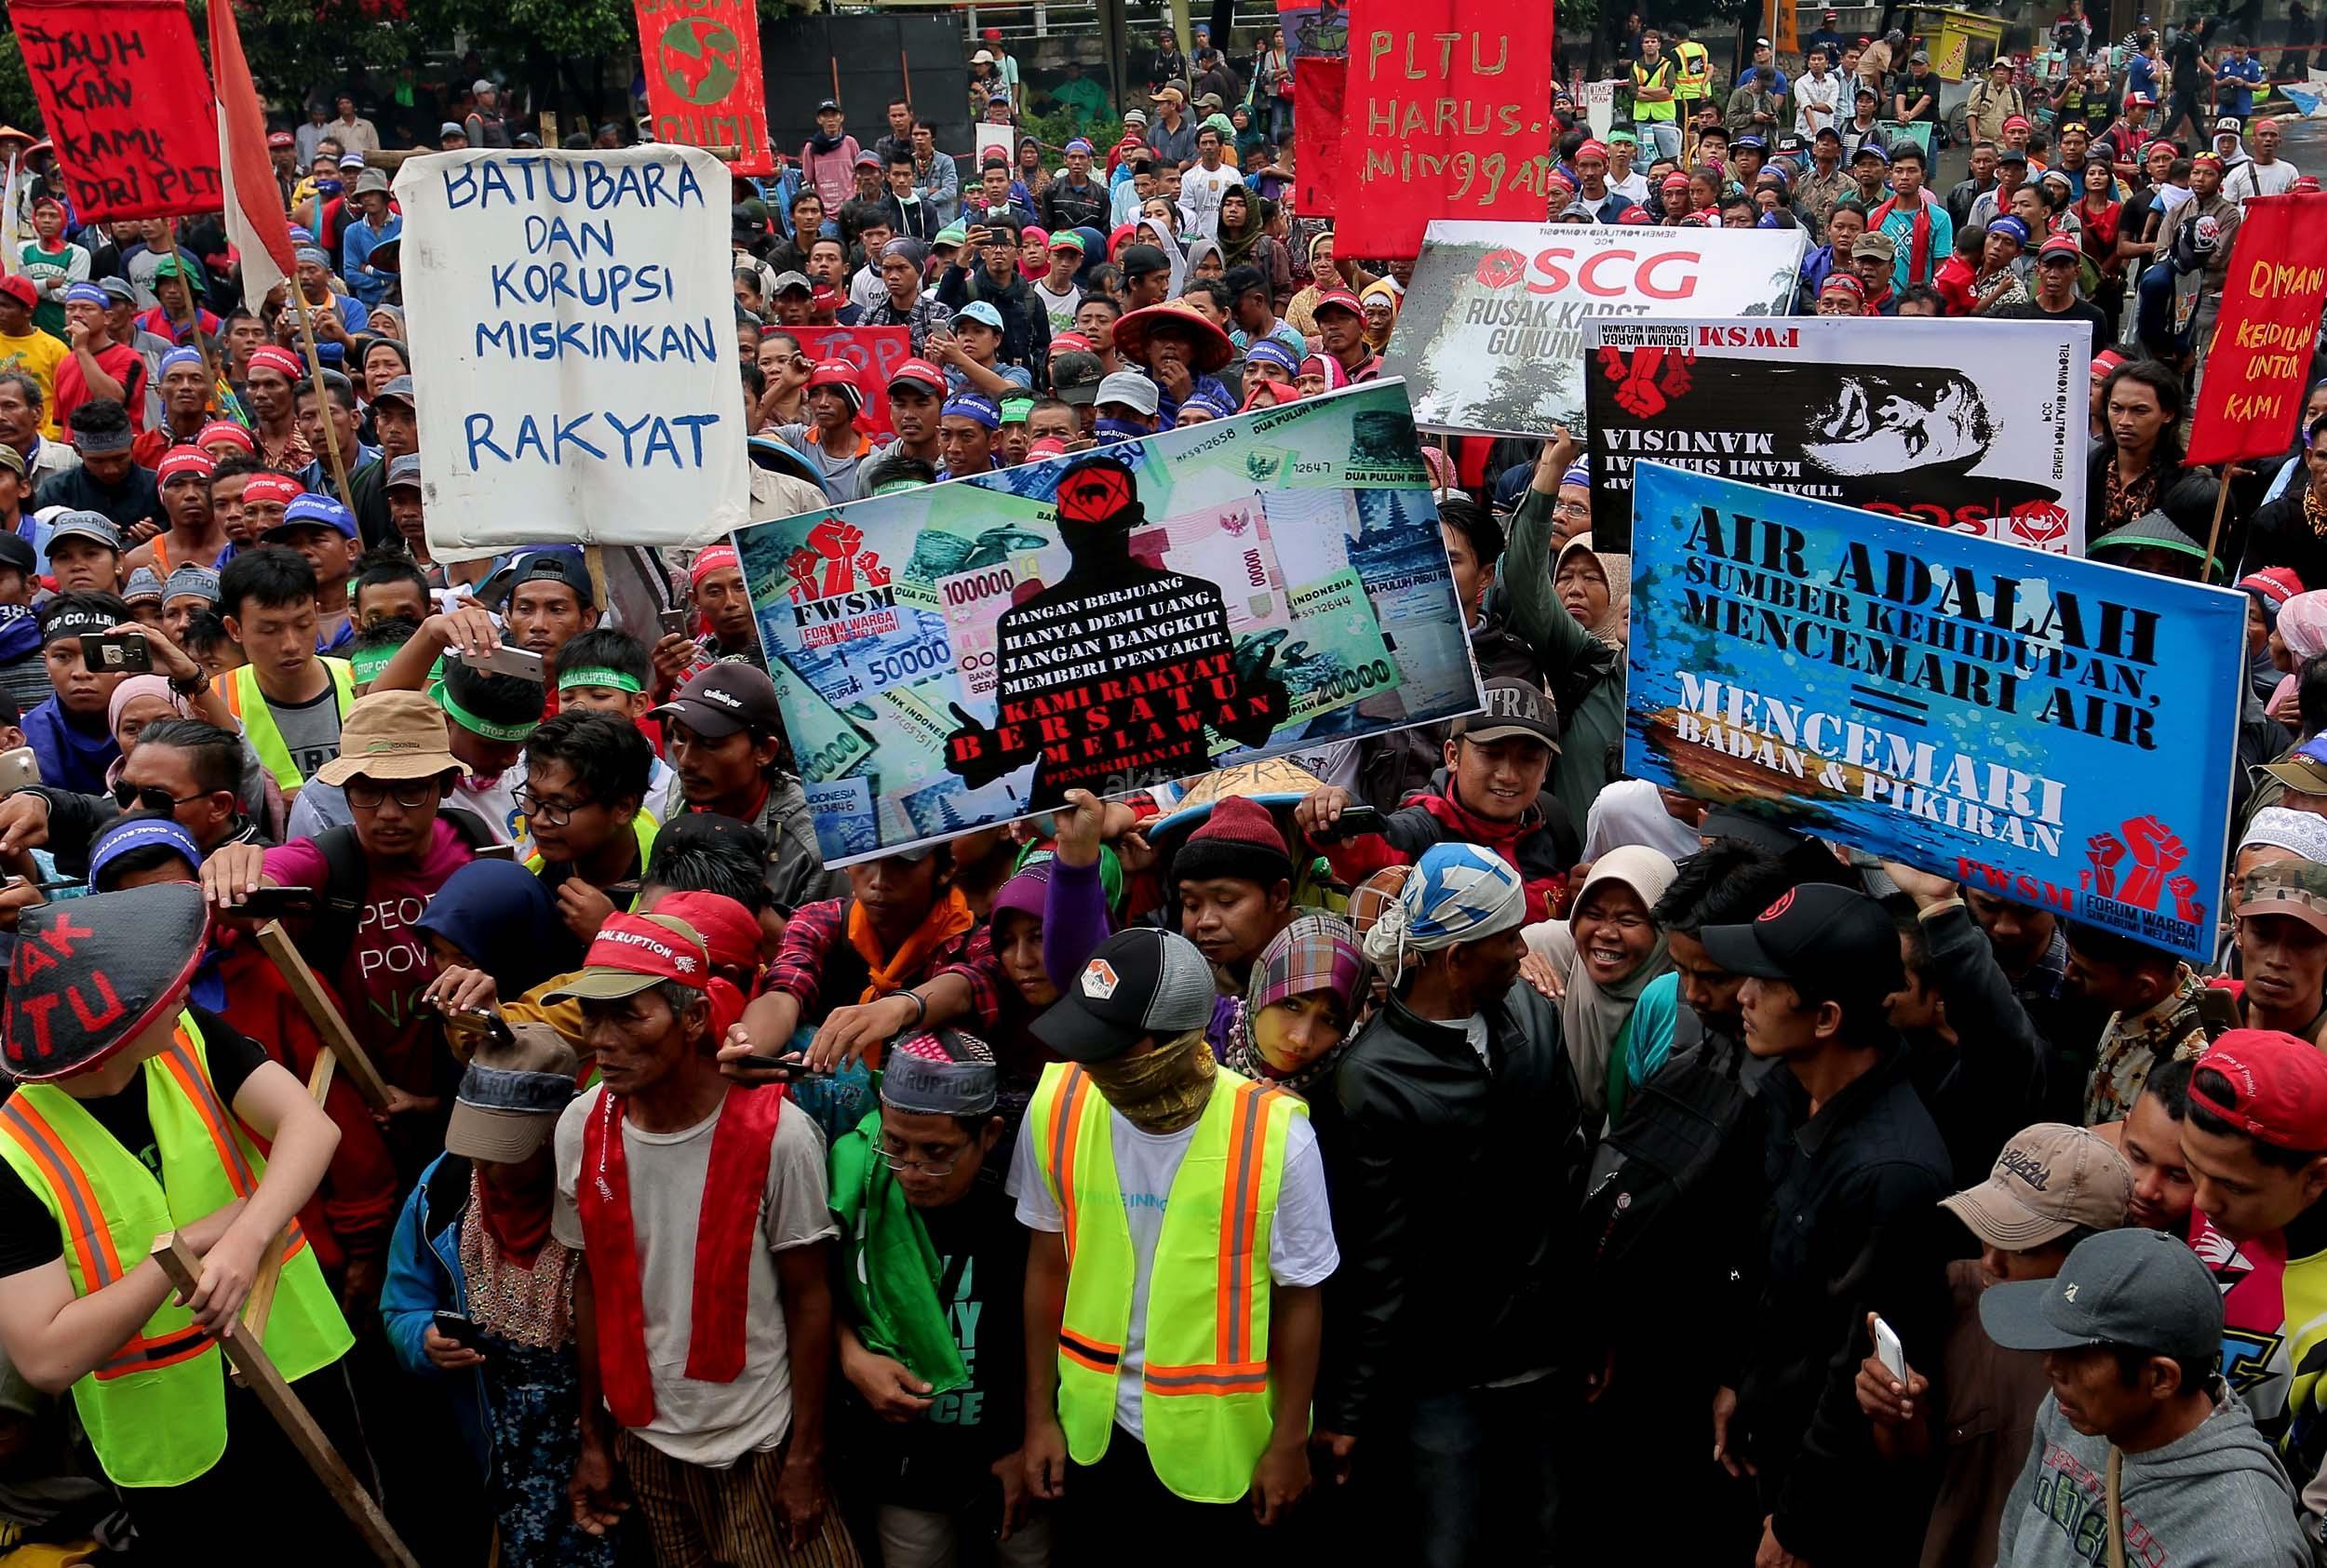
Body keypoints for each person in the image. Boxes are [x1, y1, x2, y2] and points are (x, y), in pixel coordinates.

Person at [0, 885, 362, 1553]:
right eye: (158, 988)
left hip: (292, 1361)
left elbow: (310, 1127)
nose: (184, 991)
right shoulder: (12, 1153)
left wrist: (245, 1238)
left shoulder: (187, 1036)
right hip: (170, 1435)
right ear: (109, 1033)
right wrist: (190, 1245)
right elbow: (45, 1355)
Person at [1010, 926, 1331, 1561]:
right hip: (1092, 1438)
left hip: (1220, 1453)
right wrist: (1038, 1416)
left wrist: (1289, 1442)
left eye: (1107, 1044)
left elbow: (1301, 1299)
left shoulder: (1277, 1136)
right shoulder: (1057, 1105)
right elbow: (1047, 1267)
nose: (1088, 1061)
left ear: (1167, 1044)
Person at [549, 911, 860, 1562]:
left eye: (627, 1016)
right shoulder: (582, 1126)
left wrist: (805, 1454)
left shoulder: (778, 1136)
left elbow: (810, 1297)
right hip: (644, 1436)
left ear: (692, 1020)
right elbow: (590, 1283)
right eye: (592, 1017)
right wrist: (595, 1438)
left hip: (757, 1439)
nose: (602, 1041)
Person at [1314, 843, 1581, 1565]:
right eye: (1507, 938)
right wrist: (1348, 1408)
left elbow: (1566, 1169)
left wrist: (1582, 1322)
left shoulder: (1529, 1016)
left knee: (1546, 1534)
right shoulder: (1371, 1082)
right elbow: (1378, 1260)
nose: (1523, 950)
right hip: (1440, 1373)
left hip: (1540, 1350)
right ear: (1457, 958)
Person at [1700, 882, 1955, 1567]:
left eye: (1765, 983)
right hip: (1761, 1444)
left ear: (1826, 1017)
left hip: (1824, 1506)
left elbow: (1858, 1374)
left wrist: (1797, 1525)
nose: (1742, 996)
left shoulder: (1893, 1173)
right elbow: (1763, 1266)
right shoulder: (1786, 1091)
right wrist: (1737, 1378)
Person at [381, 1027, 612, 1568]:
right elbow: (401, 1304)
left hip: (606, 1448)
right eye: (475, 1149)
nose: (483, 1168)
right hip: (493, 1449)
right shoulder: (442, 1192)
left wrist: (602, 1443)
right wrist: (423, 1339)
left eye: (504, 1151)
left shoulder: (603, 1190)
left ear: (555, 1134)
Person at [1856, 1123, 2132, 1568]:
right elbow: (1916, 1473)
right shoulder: (1953, 1295)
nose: (1991, 1261)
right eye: (1991, 1229)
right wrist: (1893, 1413)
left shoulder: (2128, 1367)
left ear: (2091, 1254)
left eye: (2023, 1247)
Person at [827, 1028, 1042, 1565]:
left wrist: (1025, 1442)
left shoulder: (1022, 1211)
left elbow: (1047, 1331)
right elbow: (813, 1295)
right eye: (895, 1145)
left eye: (937, 1153)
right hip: (904, 1464)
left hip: (1009, 1453)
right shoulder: (861, 1192)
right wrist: (852, 1356)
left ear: (989, 1134)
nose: (911, 1171)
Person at [1984, 1227, 2311, 1567]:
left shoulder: (2246, 1549)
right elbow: (2016, 1535)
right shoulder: (2078, 1407)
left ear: (2160, 1378)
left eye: (2078, 1354)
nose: (2052, 1367)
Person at [1297, 678, 1577, 924]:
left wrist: (1582, 899)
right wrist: (1336, 813)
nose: (1508, 775)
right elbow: (1377, 845)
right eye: (1491, 754)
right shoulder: (1424, 829)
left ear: (1547, 767)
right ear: (1452, 755)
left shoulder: (1552, 821)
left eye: (1528, 759)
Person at [651, 663, 841, 907]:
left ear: (764, 751)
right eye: (680, 737)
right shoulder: (682, 790)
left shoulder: (813, 845)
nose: (686, 761)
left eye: (710, 744)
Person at [1523, 848, 1677, 1127]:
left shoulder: (1688, 991)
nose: (1605, 933)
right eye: (1593, 914)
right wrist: (1510, 966)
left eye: (1628, 920)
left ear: (1663, 930)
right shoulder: (1548, 950)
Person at [212, 546, 356, 798]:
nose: (290, 644)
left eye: (303, 624)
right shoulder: (214, 699)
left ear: (317, 613)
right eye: (270, 630)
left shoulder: (359, 680)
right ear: (234, 629)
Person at [23, 593, 134, 796]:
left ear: (126, 658)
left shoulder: (161, 720)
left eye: (99, 655)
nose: (81, 672)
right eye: (63, 656)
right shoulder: (25, 737)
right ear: (45, 662)